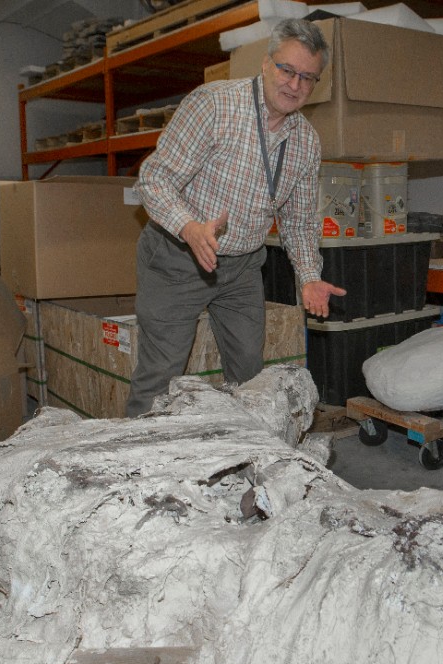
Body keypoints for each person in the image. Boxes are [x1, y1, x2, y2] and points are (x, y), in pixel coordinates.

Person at [125, 17, 346, 417]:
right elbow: (153, 179)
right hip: (177, 258)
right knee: (159, 378)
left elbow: (298, 221)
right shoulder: (214, 105)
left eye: (308, 78)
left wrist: (309, 276)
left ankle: (239, 461)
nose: (295, 85)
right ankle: (140, 470)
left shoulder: (306, 143)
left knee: (249, 374)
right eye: (287, 69)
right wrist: (189, 228)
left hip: (242, 267)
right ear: (265, 63)